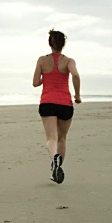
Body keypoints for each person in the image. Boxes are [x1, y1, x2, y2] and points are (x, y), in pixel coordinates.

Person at [32, 29, 81, 184]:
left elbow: (35, 83)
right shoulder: (69, 61)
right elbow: (76, 75)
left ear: (50, 44)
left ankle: (54, 160)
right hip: (65, 103)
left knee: (51, 138)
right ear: (63, 45)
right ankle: (58, 167)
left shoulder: (41, 60)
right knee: (62, 138)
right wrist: (77, 95)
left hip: (47, 102)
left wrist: (46, 79)